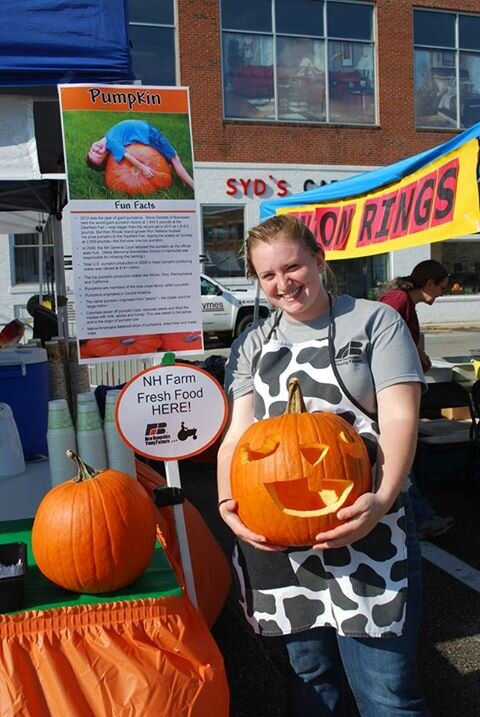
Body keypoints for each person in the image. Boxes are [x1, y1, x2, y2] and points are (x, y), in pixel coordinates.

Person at [217, 215, 430, 716]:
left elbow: (401, 416)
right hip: (280, 541)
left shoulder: (375, 321)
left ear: (319, 259)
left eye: (292, 267)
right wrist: (228, 502)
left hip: (369, 529)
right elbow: (238, 435)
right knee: (311, 679)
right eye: (268, 275)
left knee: (386, 690)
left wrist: (381, 499)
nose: (283, 283)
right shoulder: (253, 342)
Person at [378, 261, 455, 540]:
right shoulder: (397, 300)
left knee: (403, 462)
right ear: (430, 283)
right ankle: (420, 520)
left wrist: (418, 356)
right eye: (443, 287)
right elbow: (379, 335)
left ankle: (419, 518)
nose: (443, 293)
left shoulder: (405, 303)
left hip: (397, 392)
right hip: (387, 396)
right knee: (401, 462)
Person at [86, 119, 194, 190]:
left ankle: (186, 181)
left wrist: (142, 167)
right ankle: (193, 186)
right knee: (174, 159)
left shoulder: (110, 139)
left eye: (92, 151)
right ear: (107, 154)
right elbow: (127, 155)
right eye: (98, 154)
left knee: (173, 159)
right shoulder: (112, 143)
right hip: (148, 133)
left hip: (147, 131)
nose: (96, 150)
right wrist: (143, 168)